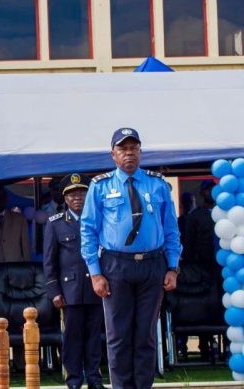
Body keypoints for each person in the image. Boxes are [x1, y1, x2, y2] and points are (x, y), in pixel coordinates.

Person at [80, 127, 181, 389]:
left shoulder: (157, 184)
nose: (129, 154)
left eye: (134, 148)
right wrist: (95, 272)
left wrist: (173, 267)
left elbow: (171, 228)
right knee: (118, 336)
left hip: (152, 265)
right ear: (113, 154)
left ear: (140, 152)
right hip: (115, 266)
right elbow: (88, 230)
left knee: (146, 335)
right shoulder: (100, 186)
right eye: (123, 149)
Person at [43, 174, 105, 389]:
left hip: (96, 288)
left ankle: (95, 379)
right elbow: (49, 262)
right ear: (64, 198)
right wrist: (54, 292)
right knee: (72, 338)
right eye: (72, 194)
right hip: (70, 290)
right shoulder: (55, 224)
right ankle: (74, 380)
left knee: (94, 337)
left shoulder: (99, 221)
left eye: (81, 193)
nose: (77, 197)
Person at [181, 179, 220, 360]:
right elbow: (188, 243)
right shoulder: (196, 216)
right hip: (203, 269)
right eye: (208, 189)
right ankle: (204, 346)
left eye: (214, 188)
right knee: (205, 305)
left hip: (226, 269)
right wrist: (189, 266)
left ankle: (226, 348)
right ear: (202, 193)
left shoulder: (227, 212)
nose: (211, 192)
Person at [0, 184, 30, 264]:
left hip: (15, 268)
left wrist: (26, 267)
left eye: (2, 197)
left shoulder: (20, 219)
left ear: (6, 199)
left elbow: (25, 248)